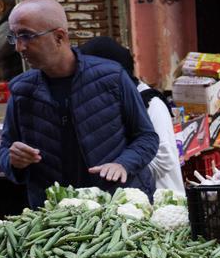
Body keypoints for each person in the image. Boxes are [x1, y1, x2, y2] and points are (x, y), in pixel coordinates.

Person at [0, 0, 159, 208]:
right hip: (56, 214)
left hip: (116, 206)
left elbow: (146, 137)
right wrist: (12, 160)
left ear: (59, 37)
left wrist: (123, 164)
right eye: (14, 37)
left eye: (27, 36)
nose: (19, 47)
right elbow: (4, 149)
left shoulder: (111, 77)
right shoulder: (21, 90)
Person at [79, 36, 184, 193]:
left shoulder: (151, 103)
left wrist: (124, 164)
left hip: (159, 200)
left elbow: (164, 157)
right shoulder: (103, 102)